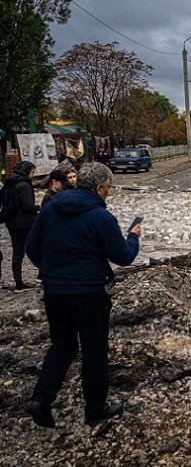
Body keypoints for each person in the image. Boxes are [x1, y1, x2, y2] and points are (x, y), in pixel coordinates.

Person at [24, 162, 141, 428]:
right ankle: (95, 411)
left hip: (54, 291)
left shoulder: (51, 208)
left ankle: (40, 399)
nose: (108, 193)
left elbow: (32, 247)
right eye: (108, 188)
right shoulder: (101, 217)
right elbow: (123, 256)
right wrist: (133, 237)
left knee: (62, 345)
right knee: (94, 351)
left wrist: (53, 270)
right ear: (100, 188)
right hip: (88, 292)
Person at [4, 161, 39, 291]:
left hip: (11, 222)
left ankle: (18, 282)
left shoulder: (10, 182)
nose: (33, 175)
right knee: (36, 247)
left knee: (17, 252)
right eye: (32, 172)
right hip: (24, 223)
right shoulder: (24, 185)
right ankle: (43, 276)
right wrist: (38, 207)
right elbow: (28, 206)